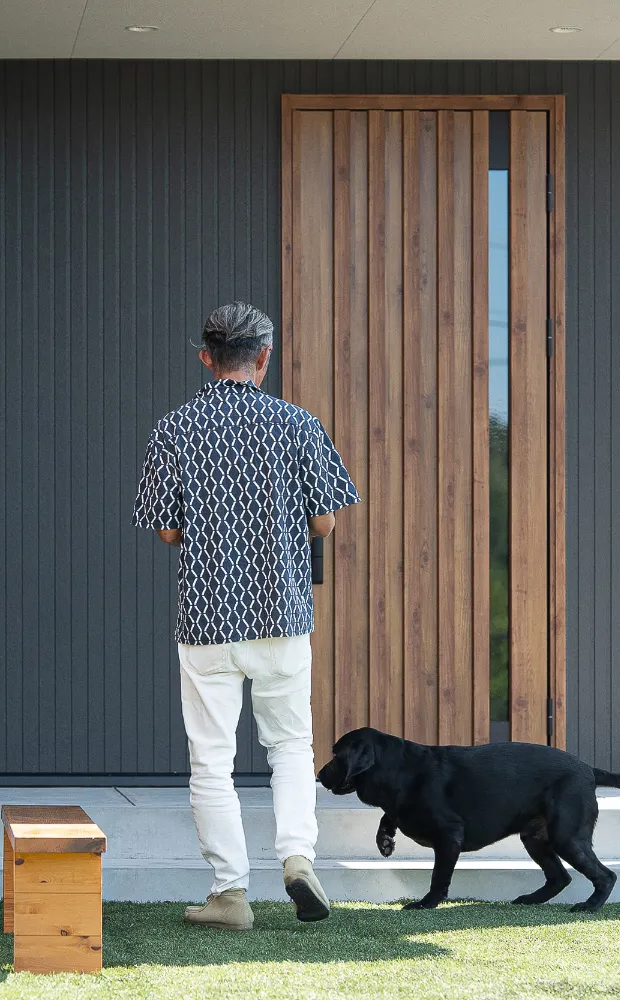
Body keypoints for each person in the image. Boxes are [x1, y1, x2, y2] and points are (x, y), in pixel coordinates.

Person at [132, 301, 360, 930]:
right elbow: (325, 519)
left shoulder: (173, 428)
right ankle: (297, 861)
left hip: (205, 617)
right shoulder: (298, 425)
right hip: (282, 613)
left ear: (206, 357)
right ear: (265, 357)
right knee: (289, 745)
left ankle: (229, 894)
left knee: (211, 758)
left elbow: (169, 530)